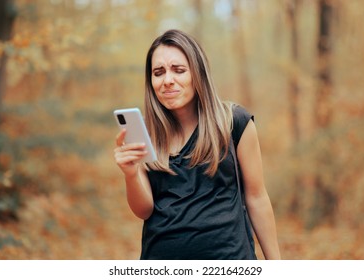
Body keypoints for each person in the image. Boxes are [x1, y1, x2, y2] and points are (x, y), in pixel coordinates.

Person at [114, 29, 281, 260]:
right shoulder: (145, 134)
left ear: (198, 73)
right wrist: (131, 173)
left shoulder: (234, 122)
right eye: (158, 72)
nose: (167, 80)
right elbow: (144, 210)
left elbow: (257, 197)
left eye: (179, 70)